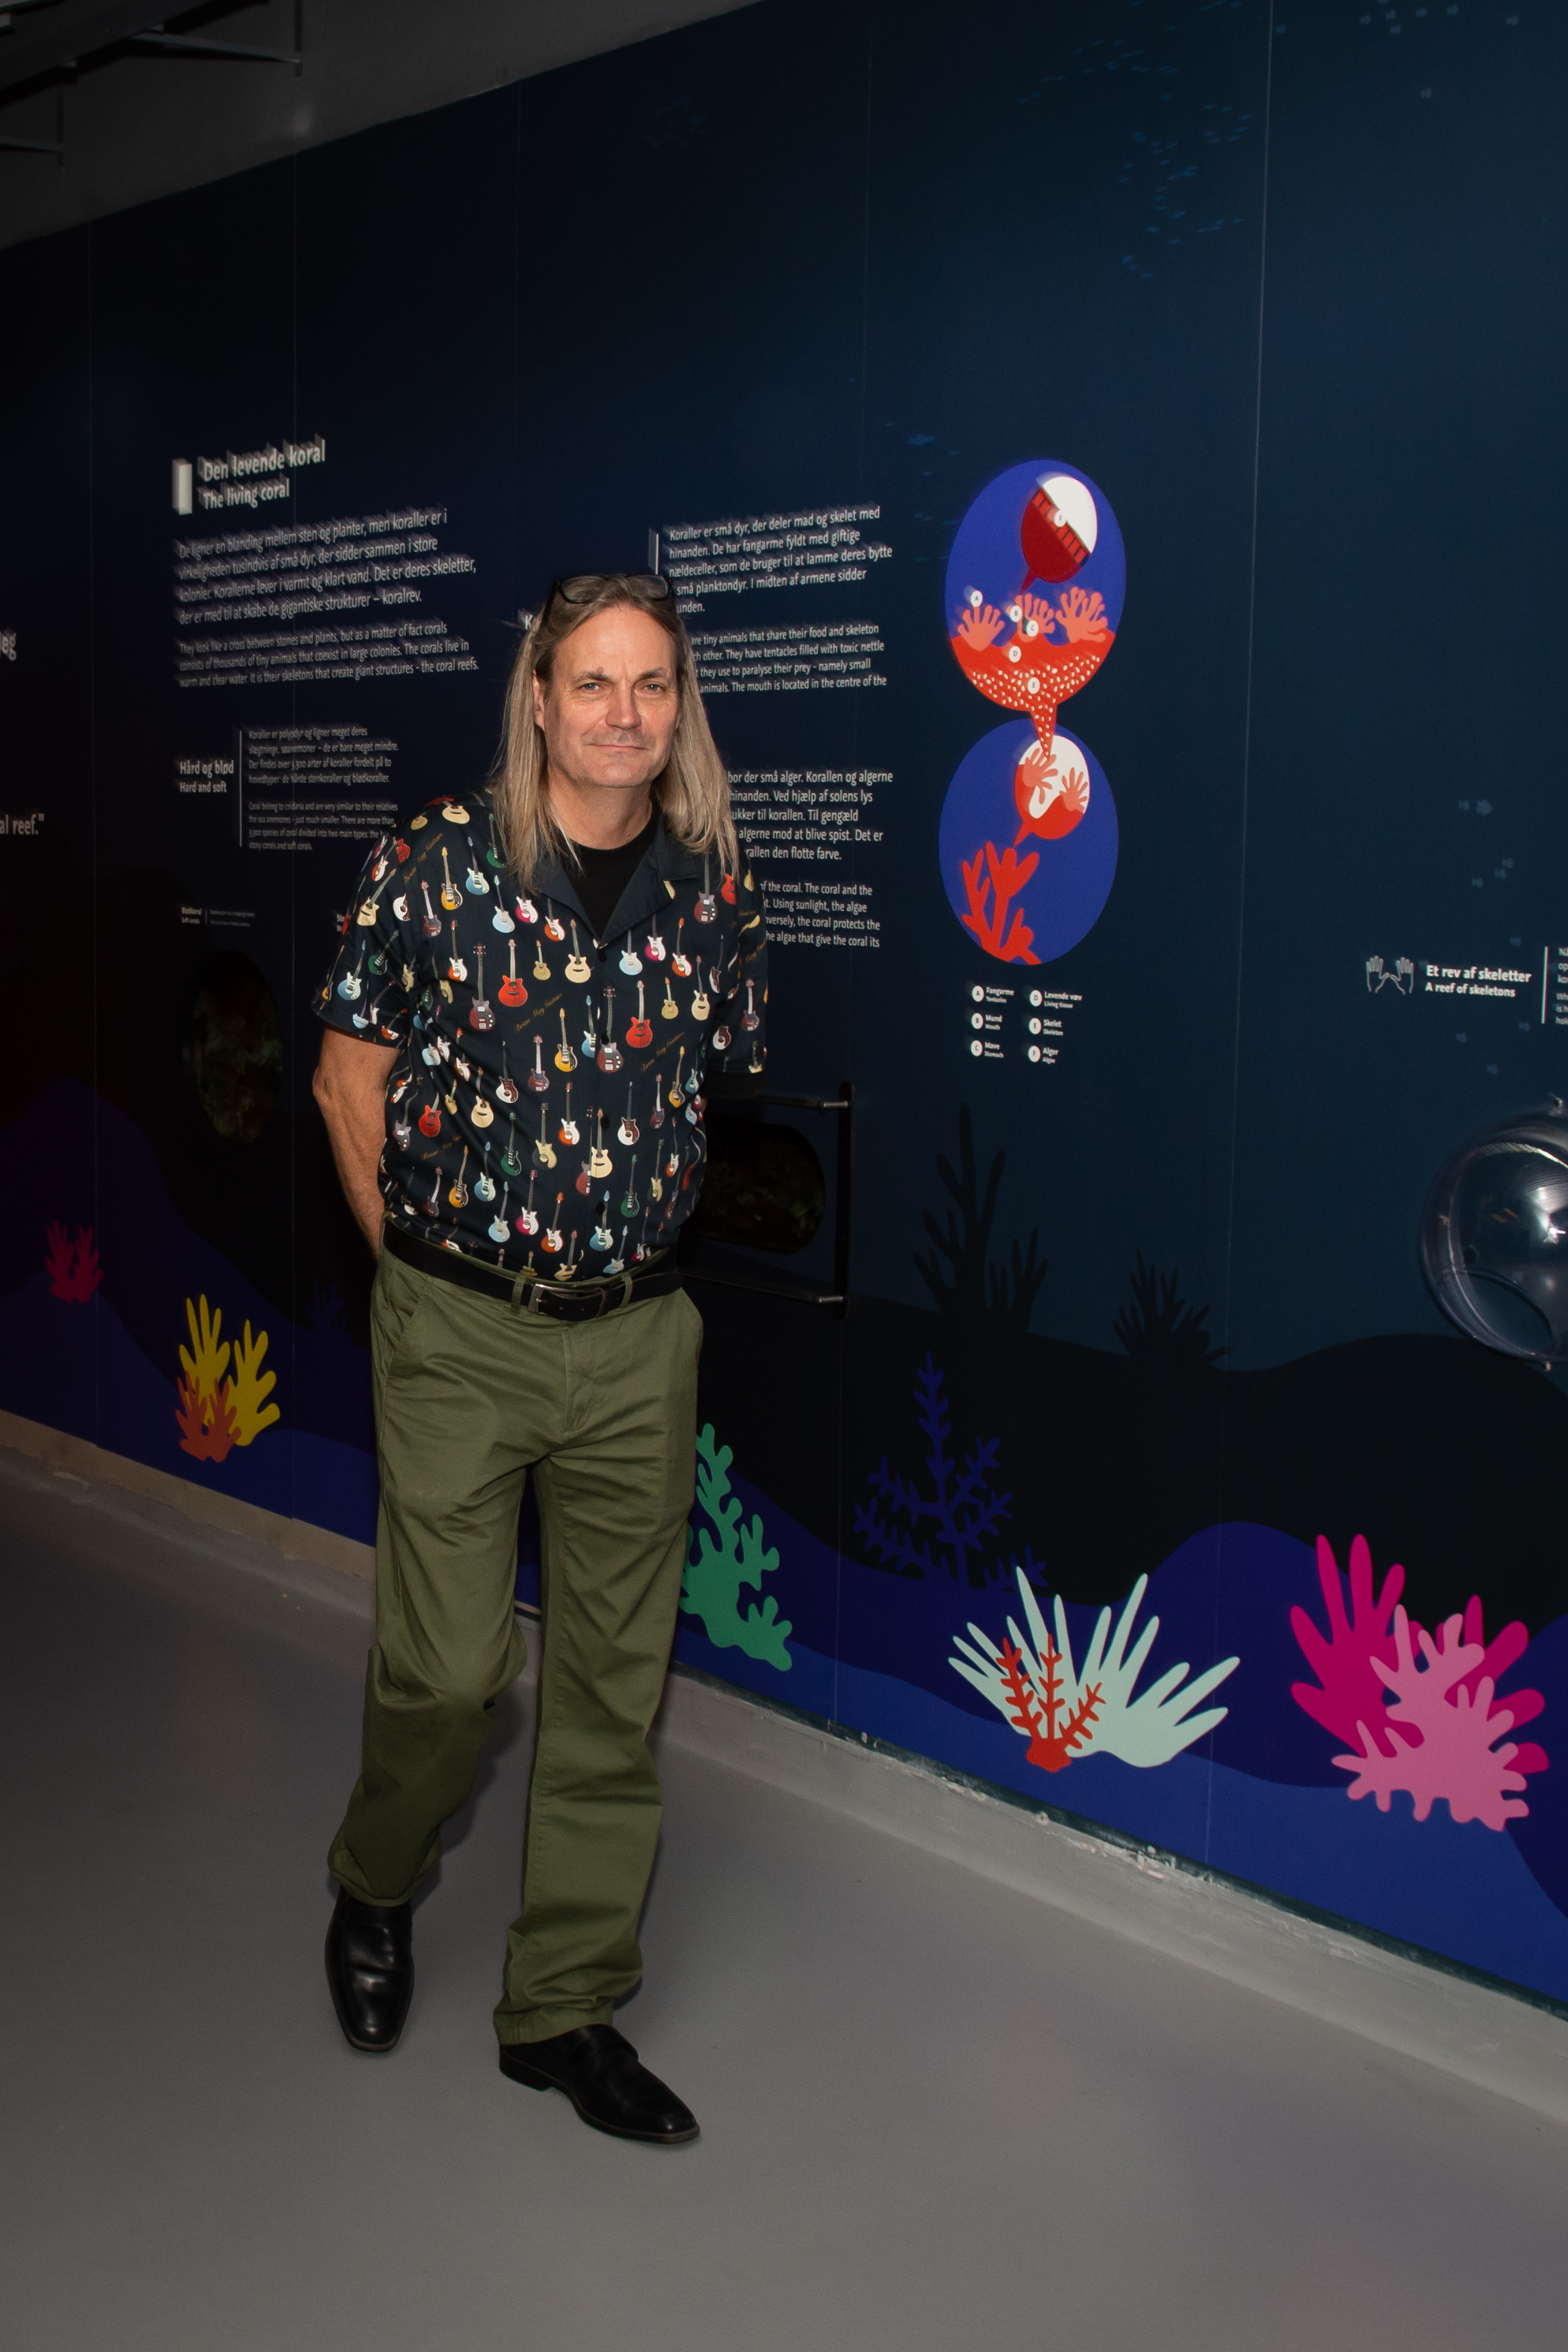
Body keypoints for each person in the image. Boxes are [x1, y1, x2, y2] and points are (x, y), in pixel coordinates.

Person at [311, 572, 767, 2146]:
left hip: (637, 1340)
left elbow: (710, 1083)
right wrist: (417, 1285)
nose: (623, 715)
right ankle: (374, 1881)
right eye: (593, 683)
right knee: (448, 1675)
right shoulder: (436, 864)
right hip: (456, 1322)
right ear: (538, 698)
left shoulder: (715, 888)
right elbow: (346, 1083)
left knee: (609, 1692)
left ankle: (562, 2008)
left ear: (677, 706)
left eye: (652, 685)